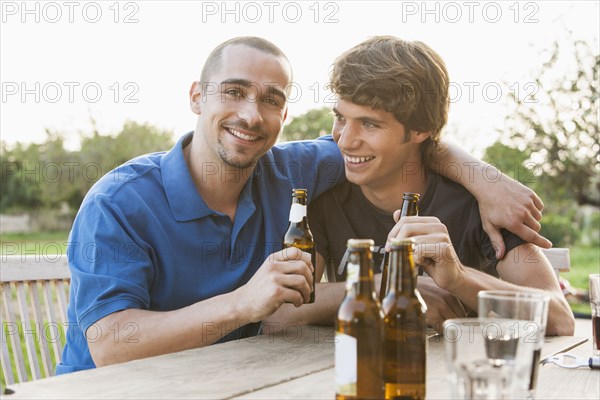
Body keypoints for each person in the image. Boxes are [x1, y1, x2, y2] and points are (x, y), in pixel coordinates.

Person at [57, 36, 552, 374]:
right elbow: (109, 345)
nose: (251, 114)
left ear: (285, 113)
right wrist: (243, 303)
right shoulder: (120, 201)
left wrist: (488, 180)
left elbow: (400, 138)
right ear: (196, 97)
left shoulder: (292, 170)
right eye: (233, 92)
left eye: (271, 100)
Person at [308, 36, 574, 335]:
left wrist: (459, 278)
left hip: (471, 372)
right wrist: (385, 287)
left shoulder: (480, 203)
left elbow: (559, 317)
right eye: (340, 117)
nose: (344, 140)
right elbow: (282, 315)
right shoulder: (324, 197)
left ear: (421, 129)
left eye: (369, 124)